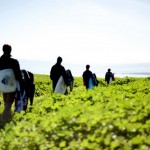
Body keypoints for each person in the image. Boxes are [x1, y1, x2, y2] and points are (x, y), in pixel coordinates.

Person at [0, 44, 22, 121]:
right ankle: (2, 119)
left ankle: (9, 117)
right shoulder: (14, 61)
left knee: (6, 102)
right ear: (10, 50)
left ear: (3, 50)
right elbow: (18, 74)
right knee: (9, 103)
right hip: (11, 84)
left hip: (2, 85)